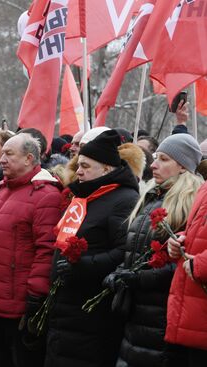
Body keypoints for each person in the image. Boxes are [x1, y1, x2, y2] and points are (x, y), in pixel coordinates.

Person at [103, 133, 203, 367]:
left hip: (163, 317)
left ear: (183, 166)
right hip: (136, 313)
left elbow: (182, 264)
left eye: (164, 159)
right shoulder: (151, 196)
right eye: (156, 158)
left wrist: (139, 278)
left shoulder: (190, 202)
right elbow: (133, 249)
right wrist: (120, 272)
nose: (154, 164)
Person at [45, 130, 140, 367]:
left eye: (86, 166)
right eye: (79, 166)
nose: (78, 171)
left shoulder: (124, 199)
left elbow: (123, 252)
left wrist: (83, 265)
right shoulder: (85, 195)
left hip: (91, 307)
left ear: (106, 169)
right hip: (65, 301)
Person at [0, 133, 63, 367]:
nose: (2, 158)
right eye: (2, 153)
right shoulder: (3, 189)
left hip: (17, 301)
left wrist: (35, 294)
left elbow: (46, 249)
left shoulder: (46, 195)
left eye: (9, 154)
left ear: (29, 158)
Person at [166, 155, 207, 367]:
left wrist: (202, 264)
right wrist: (181, 241)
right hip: (192, 302)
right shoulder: (205, 187)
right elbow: (198, 232)